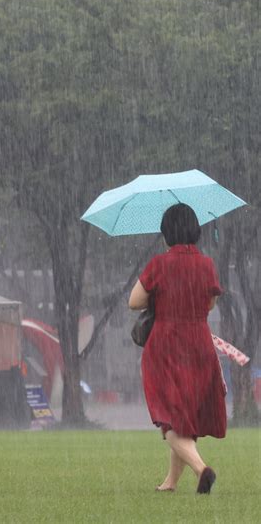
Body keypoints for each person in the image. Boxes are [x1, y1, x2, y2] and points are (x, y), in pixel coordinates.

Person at [128, 203, 226, 494]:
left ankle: (202, 469)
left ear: (166, 231)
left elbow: (134, 301)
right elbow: (210, 304)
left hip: (166, 345)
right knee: (184, 416)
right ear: (195, 228)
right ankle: (170, 483)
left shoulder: (159, 264)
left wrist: (162, 298)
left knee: (169, 417)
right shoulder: (206, 265)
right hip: (199, 345)